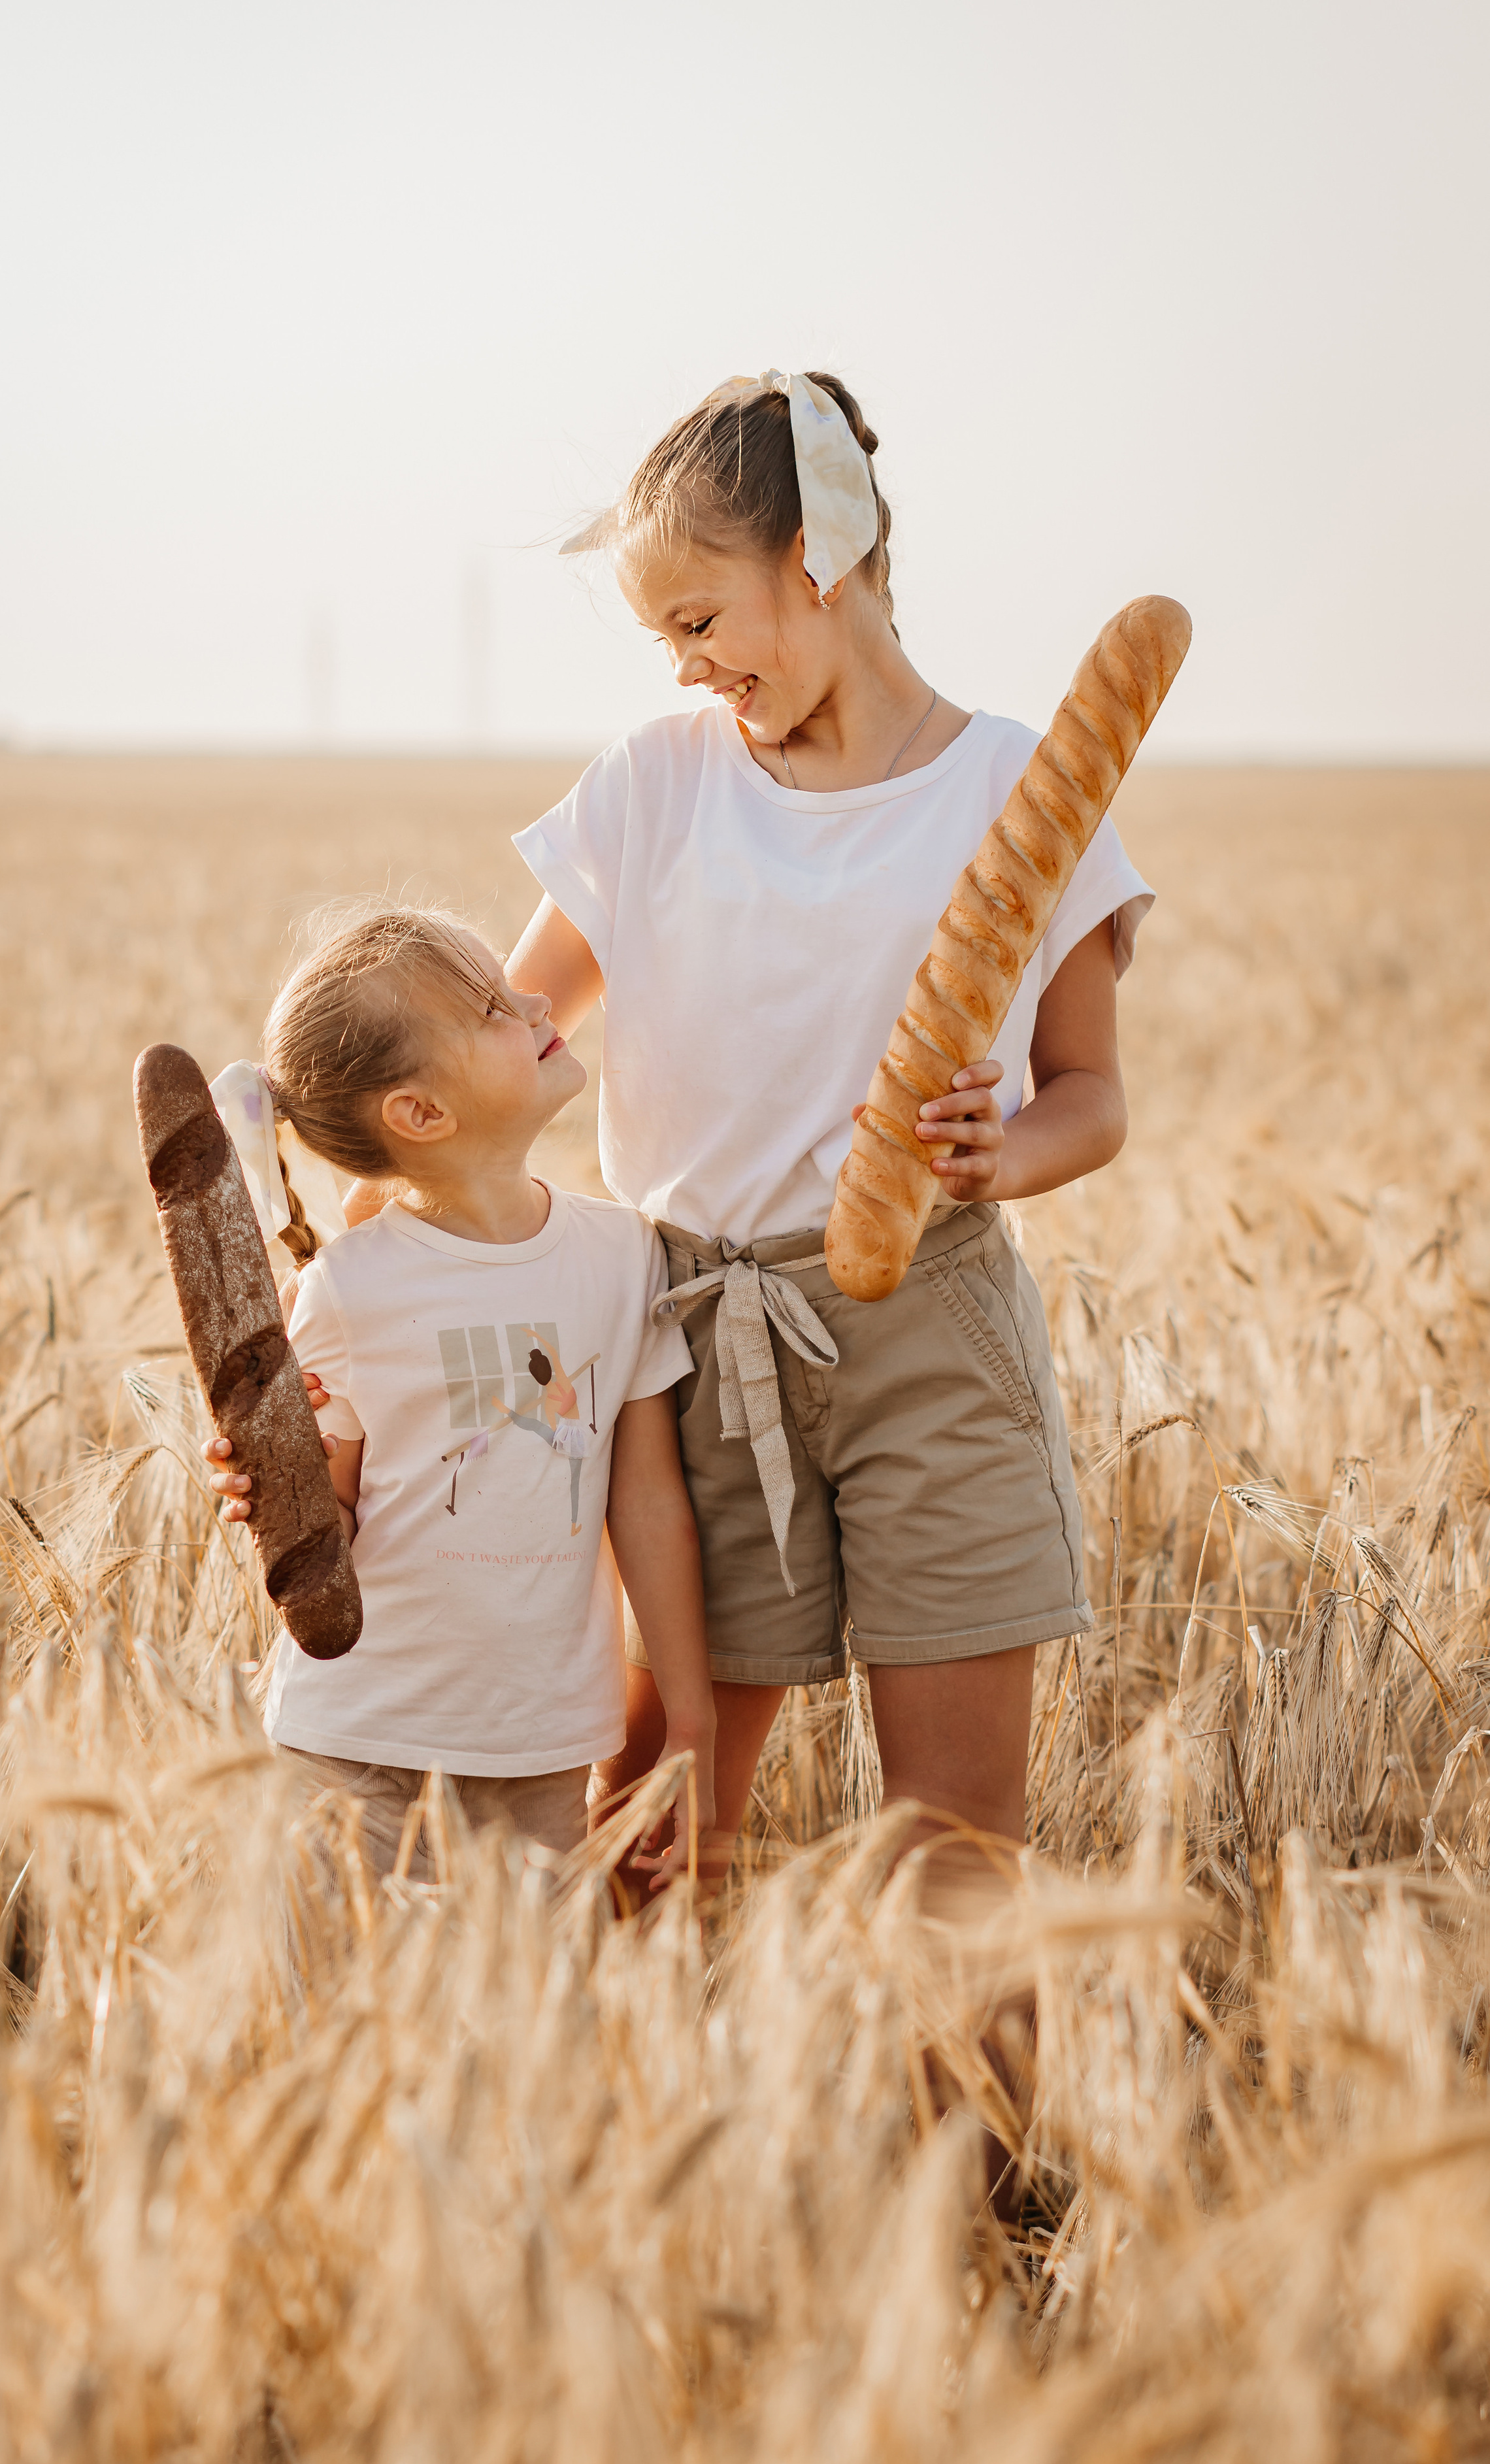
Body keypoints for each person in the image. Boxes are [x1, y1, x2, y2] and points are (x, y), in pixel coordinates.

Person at [501, 369, 1153, 1898]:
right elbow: (502, 1040)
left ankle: (972, 2150)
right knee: (659, 1827)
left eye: (699, 622)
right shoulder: (653, 791)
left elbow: (1090, 1096)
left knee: (951, 1854)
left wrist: (1006, 1154)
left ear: (824, 553)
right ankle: (660, 2124)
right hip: (686, 1342)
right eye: (664, 639)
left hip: (931, 1334)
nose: (684, 670)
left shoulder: (1017, 791)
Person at [204, 905, 717, 1886]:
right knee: (355, 2023)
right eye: (491, 1006)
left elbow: (647, 1503)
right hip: (356, 1746)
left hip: (543, 1753)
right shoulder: (349, 1290)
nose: (535, 997)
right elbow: (329, 1520)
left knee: (530, 2031)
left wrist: (689, 1715)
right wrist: (272, 1483)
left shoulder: (622, 1256)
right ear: (422, 1114)